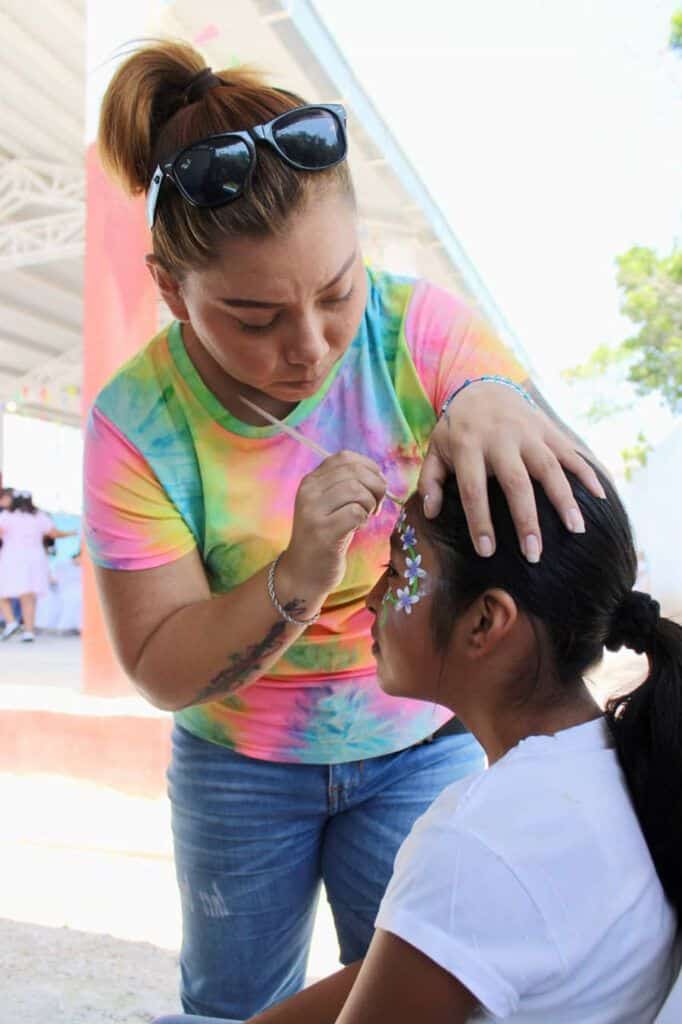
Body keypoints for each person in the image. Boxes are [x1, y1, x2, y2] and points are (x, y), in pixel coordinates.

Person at [85, 42, 606, 1019]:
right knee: (233, 1001)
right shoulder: (139, 420)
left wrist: (498, 399)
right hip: (237, 761)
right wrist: (295, 577)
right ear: (168, 290)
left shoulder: (419, 331)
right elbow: (159, 663)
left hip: (417, 742)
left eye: (337, 291)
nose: (310, 347)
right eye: (252, 316)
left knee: (417, 992)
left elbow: (570, 509)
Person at [153, 465, 681, 1023]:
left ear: (484, 622)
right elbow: (425, 953)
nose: (371, 600)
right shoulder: (619, 760)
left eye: (398, 573)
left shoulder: (477, 837)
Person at [0, 491, 76, 642]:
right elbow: (53, 533)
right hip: (35, 558)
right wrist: (71, 533)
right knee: (28, 596)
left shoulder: (8, 516)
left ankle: (11, 621)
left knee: (3, 591)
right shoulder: (39, 516)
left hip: (12, 557)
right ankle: (29, 631)